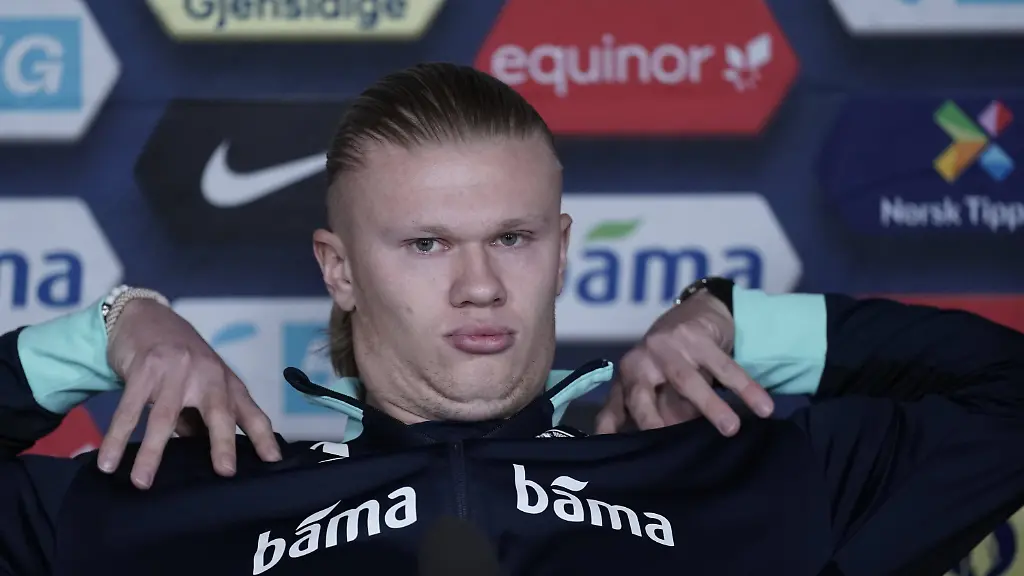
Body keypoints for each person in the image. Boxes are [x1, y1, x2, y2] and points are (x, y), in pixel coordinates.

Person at [1, 63, 1023, 576]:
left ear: (562, 250)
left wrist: (739, 324)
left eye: (514, 238)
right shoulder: (182, 500)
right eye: (426, 245)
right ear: (339, 269)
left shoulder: (738, 473)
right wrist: (112, 329)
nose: (481, 285)